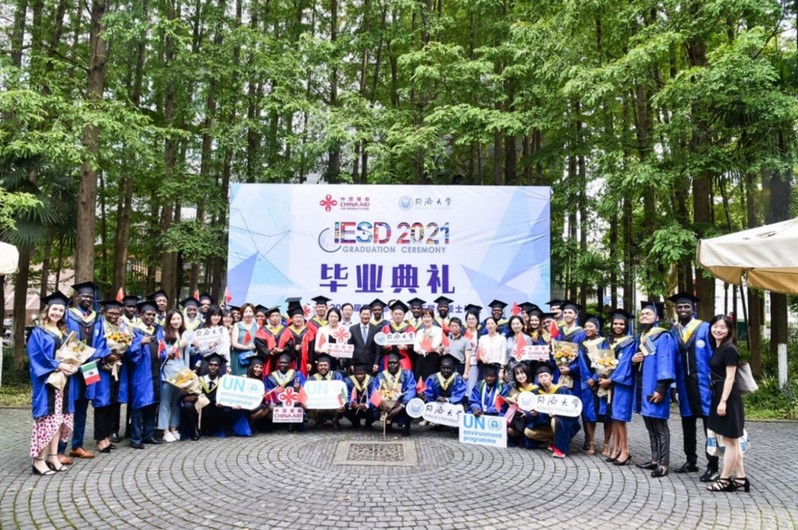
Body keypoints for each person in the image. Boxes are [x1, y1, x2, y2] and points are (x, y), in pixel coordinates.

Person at [668, 292, 717, 481]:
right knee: (687, 425)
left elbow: (713, 355)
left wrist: (715, 382)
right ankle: (691, 461)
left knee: (709, 427)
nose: (682, 309)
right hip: (683, 385)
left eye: (686, 306)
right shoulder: (674, 331)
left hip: (704, 385)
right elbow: (671, 360)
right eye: (679, 306)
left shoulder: (705, 328)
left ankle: (712, 465)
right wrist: (673, 385)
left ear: (693, 308)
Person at [28, 291, 75, 475]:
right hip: (47, 384)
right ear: (47, 310)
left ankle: (53, 457)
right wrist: (59, 365)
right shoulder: (38, 332)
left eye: (61, 310)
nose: (57, 313)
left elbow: (71, 355)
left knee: (58, 421)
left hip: (63, 384)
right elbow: (36, 357)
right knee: (46, 420)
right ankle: (39, 461)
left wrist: (73, 365)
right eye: (54, 309)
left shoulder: (64, 332)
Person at [61, 281, 108, 460]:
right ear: (77, 297)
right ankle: (59, 449)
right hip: (71, 367)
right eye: (84, 296)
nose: (87, 299)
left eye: (90, 296)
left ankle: (77, 446)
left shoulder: (97, 318)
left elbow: (102, 341)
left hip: (90, 367)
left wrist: (97, 357)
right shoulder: (69, 315)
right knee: (67, 407)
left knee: (83, 407)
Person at [633, 301, 677, 478]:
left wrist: (661, 389)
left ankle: (663, 464)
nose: (644, 316)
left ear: (657, 317)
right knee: (650, 424)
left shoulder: (663, 336)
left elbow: (666, 362)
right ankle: (654, 460)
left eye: (648, 314)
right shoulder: (642, 337)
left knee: (659, 425)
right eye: (642, 314)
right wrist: (633, 360)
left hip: (655, 387)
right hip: (643, 386)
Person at [706, 315, 749, 493]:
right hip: (720, 395)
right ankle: (740, 478)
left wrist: (723, 401)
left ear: (729, 330)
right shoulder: (718, 347)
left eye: (723, 327)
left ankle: (724, 480)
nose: (718, 330)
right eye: (715, 326)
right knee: (732, 441)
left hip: (728, 398)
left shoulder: (729, 349)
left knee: (729, 441)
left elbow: (730, 377)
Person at [127, 300, 165, 449]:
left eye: (153, 315)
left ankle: (148, 435)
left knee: (153, 404)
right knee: (139, 405)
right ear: (141, 315)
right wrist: (141, 343)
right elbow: (129, 353)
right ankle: (136, 439)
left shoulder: (158, 330)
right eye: (148, 314)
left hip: (156, 372)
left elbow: (161, 349)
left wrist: (166, 353)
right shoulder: (134, 331)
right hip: (141, 374)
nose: (151, 317)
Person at [93, 299, 129, 454]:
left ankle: (106, 436)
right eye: (111, 313)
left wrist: (120, 353)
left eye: (117, 313)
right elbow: (93, 346)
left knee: (112, 403)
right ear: (104, 312)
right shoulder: (98, 325)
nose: (114, 316)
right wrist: (106, 355)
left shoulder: (121, 326)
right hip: (102, 369)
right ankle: (100, 439)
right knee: (102, 403)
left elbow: (126, 341)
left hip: (116, 368)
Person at [523, 364, 581, 458]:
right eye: (541, 377)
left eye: (546, 376)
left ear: (552, 377)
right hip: (548, 425)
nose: (543, 379)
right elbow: (541, 418)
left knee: (555, 420)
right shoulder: (538, 395)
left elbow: (573, 409)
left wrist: (558, 413)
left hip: (564, 424)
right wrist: (535, 414)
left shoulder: (562, 390)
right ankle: (553, 441)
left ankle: (560, 449)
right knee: (528, 432)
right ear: (538, 380)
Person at [605, 309, 635, 466]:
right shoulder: (609, 341)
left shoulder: (630, 342)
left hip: (622, 383)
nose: (618, 326)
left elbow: (625, 364)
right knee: (614, 417)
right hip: (611, 382)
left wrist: (610, 379)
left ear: (626, 325)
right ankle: (615, 448)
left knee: (620, 417)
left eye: (621, 324)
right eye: (615, 323)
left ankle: (625, 450)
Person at [158, 309, 192, 443]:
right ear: (168, 321)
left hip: (182, 371)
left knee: (177, 401)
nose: (176, 321)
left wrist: (195, 345)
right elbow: (165, 353)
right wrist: (179, 344)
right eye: (173, 319)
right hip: (168, 371)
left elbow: (189, 352)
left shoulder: (185, 334)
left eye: (178, 319)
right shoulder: (163, 334)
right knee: (165, 401)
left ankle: (174, 427)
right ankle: (165, 430)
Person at [180, 353, 228, 439]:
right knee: (187, 406)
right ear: (207, 367)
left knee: (226, 409)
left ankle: (213, 429)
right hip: (199, 411)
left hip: (213, 412)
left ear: (220, 368)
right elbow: (187, 395)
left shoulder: (223, 382)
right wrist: (186, 398)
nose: (213, 367)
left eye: (216, 365)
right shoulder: (198, 380)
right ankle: (193, 431)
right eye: (211, 365)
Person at [579, 315, 608, 456]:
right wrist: (588, 378)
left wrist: (596, 378)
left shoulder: (604, 343)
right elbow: (581, 364)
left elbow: (606, 361)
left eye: (590, 326)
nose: (587, 329)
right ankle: (591, 443)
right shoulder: (582, 344)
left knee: (606, 414)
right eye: (585, 326)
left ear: (597, 328)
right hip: (586, 383)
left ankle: (607, 445)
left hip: (602, 381)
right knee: (588, 414)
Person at [373, 352, 417, 436]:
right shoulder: (381, 375)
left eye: (394, 363)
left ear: (399, 363)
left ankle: (406, 426)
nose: (392, 365)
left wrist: (400, 406)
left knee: (410, 406)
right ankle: (387, 422)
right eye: (390, 363)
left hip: (401, 405)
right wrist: (381, 405)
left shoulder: (407, 374)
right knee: (374, 412)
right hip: (386, 405)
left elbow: (411, 391)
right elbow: (375, 391)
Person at [265, 352, 308, 432]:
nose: (282, 364)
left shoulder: (297, 375)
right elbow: (268, 391)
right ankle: (277, 424)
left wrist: (298, 389)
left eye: (285, 363)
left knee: (297, 406)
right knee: (269, 414)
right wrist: (271, 403)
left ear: (290, 364)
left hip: (294, 404)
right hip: (277, 403)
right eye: (280, 362)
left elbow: (305, 389)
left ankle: (292, 424)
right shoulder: (271, 377)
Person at [306, 354, 345, 429]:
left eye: (325, 365)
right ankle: (319, 420)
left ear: (329, 366)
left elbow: (342, 391)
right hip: (318, 405)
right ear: (317, 367)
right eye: (320, 365)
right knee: (306, 406)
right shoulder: (312, 379)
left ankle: (335, 420)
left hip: (333, 405)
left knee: (342, 404)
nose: (323, 367)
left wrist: (343, 403)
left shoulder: (337, 376)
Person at [378, 300, 416, 371]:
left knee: (405, 375)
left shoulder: (410, 329)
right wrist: (384, 347)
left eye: (400, 314)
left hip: (404, 358)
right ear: (392, 315)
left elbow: (415, 346)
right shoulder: (385, 328)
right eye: (396, 314)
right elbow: (379, 346)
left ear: (404, 315)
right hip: (389, 359)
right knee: (388, 376)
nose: (398, 316)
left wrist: (406, 347)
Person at [276, 303, 313, 376]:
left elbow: (311, 349)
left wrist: (310, 362)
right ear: (291, 319)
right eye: (296, 317)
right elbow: (283, 348)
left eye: (300, 317)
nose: (298, 319)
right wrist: (294, 349)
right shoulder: (286, 331)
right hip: (289, 362)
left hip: (304, 362)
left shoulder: (308, 331)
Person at [505, 362, 537, 444]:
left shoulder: (535, 389)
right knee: (510, 430)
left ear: (527, 373)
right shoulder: (515, 390)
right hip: (518, 418)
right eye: (517, 374)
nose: (520, 376)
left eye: (522, 373)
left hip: (531, 418)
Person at [196, 305, 231, 376]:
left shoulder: (224, 330)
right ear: (209, 315)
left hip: (220, 361)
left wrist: (228, 365)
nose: (216, 318)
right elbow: (201, 351)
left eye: (218, 315)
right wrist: (210, 346)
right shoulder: (202, 331)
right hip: (207, 361)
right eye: (214, 315)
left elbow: (227, 349)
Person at [343, 363, 379, 429]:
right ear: (354, 373)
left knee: (376, 412)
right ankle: (355, 422)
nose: (359, 376)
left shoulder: (372, 381)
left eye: (362, 374)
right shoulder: (348, 381)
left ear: (365, 373)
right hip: (354, 408)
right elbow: (346, 395)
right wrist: (351, 404)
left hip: (368, 409)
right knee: (345, 409)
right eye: (357, 374)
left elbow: (373, 396)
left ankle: (368, 423)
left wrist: (366, 405)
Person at [414, 308, 444, 383]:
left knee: (432, 381)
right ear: (422, 319)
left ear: (432, 318)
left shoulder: (438, 330)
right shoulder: (419, 332)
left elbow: (435, 345)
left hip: (433, 358)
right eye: (424, 317)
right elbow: (416, 347)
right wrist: (423, 351)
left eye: (429, 317)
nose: (427, 319)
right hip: (421, 358)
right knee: (421, 381)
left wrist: (427, 348)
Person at [314, 307, 348, 373]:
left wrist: (341, 354)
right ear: (328, 317)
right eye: (331, 316)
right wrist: (323, 351)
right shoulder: (322, 330)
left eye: (335, 316)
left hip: (339, 362)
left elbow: (347, 347)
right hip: (325, 361)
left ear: (339, 318)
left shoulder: (344, 330)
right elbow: (316, 348)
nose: (333, 319)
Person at [254, 306, 286, 375]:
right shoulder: (263, 330)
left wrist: (282, 350)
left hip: (281, 360)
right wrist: (269, 352)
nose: (275, 318)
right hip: (267, 360)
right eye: (272, 316)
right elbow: (260, 345)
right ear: (268, 318)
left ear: (280, 317)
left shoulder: (286, 330)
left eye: (277, 316)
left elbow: (290, 344)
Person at [348, 305, 379, 374]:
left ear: (371, 315)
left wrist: (376, 363)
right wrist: (351, 363)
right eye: (363, 314)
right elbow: (350, 347)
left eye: (367, 314)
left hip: (371, 364)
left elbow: (378, 349)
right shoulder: (352, 329)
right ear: (359, 315)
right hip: (356, 364)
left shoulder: (376, 329)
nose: (365, 316)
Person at [230, 303, 258, 376]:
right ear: (242, 313)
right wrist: (248, 347)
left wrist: (256, 352)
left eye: (250, 311)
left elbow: (259, 343)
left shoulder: (257, 326)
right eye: (246, 312)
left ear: (253, 313)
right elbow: (234, 343)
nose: (248, 314)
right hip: (237, 356)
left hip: (251, 357)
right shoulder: (237, 325)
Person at [505, 315, 533, 381]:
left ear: (522, 325)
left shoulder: (527, 338)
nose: (515, 326)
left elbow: (530, 356)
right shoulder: (509, 339)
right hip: (510, 367)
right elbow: (507, 355)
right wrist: (506, 369)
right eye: (513, 324)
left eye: (517, 323)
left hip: (523, 367)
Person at [462, 305, 482, 397]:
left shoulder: (481, 334)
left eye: (473, 319)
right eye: (469, 319)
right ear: (466, 321)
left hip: (475, 363)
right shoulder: (462, 333)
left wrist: (477, 347)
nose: (471, 321)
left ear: (477, 320)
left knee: (473, 385)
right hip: (463, 362)